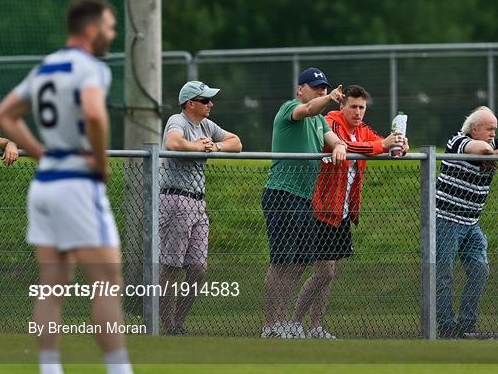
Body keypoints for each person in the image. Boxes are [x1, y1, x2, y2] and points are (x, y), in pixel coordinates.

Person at [0, 0, 151, 374]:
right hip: (78, 184)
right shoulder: (91, 69)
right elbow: (95, 115)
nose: (113, 35)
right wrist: (101, 162)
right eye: (111, 27)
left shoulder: (47, 65)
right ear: (92, 29)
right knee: (107, 281)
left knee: (52, 283)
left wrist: (42, 153)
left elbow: (6, 115)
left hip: (45, 184)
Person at [295, 85, 408, 339]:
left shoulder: (364, 130)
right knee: (325, 272)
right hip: (322, 209)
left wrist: (399, 143)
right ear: (341, 106)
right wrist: (382, 145)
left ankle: (315, 327)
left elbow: (380, 142)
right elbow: (344, 146)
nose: (358, 112)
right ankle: (294, 322)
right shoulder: (331, 122)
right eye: (353, 107)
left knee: (327, 276)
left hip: (342, 212)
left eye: (362, 108)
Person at [261, 67, 349, 338]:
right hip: (282, 193)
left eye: (324, 88)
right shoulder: (291, 108)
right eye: (315, 87)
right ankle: (271, 326)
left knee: (298, 264)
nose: (321, 92)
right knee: (281, 263)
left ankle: (283, 322)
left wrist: (339, 146)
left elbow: (335, 139)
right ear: (301, 89)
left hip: (303, 198)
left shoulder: (320, 121)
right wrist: (328, 98)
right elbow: (307, 110)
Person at [435, 106, 498, 338]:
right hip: (446, 220)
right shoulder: (457, 141)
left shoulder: (492, 143)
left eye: (495, 130)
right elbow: (481, 149)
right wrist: (494, 153)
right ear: (474, 128)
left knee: (480, 270)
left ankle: (466, 326)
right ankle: (446, 327)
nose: (493, 134)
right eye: (489, 129)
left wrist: (494, 153)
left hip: (471, 223)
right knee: (443, 274)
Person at [159, 81, 242, 336]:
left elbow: (236, 142)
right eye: (205, 100)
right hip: (176, 200)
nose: (210, 104)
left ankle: (178, 324)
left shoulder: (206, 125)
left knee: (197, 269)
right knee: (171, 267)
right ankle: (167, 326)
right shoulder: (178, 120)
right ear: (190, 103)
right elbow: (173, 143)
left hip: (197, 201)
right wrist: (198, 146)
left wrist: (214, 146)